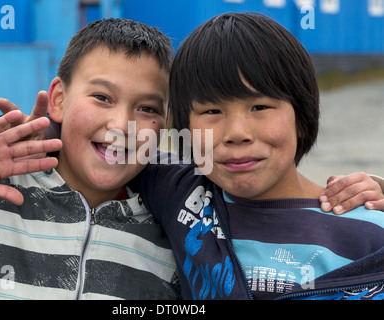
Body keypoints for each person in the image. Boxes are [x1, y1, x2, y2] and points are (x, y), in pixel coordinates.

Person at [135, 12, 384, 300]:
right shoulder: (179, 193)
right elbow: (98, 155)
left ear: (301, 119)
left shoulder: (368, 235)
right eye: (212, 111)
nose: (237, 132)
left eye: (260, 107)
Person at [0, 18, 181, 300]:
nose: (122, 125)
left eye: (147, 108)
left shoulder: (175, 241)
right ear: (59, 100)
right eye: (102, 97)